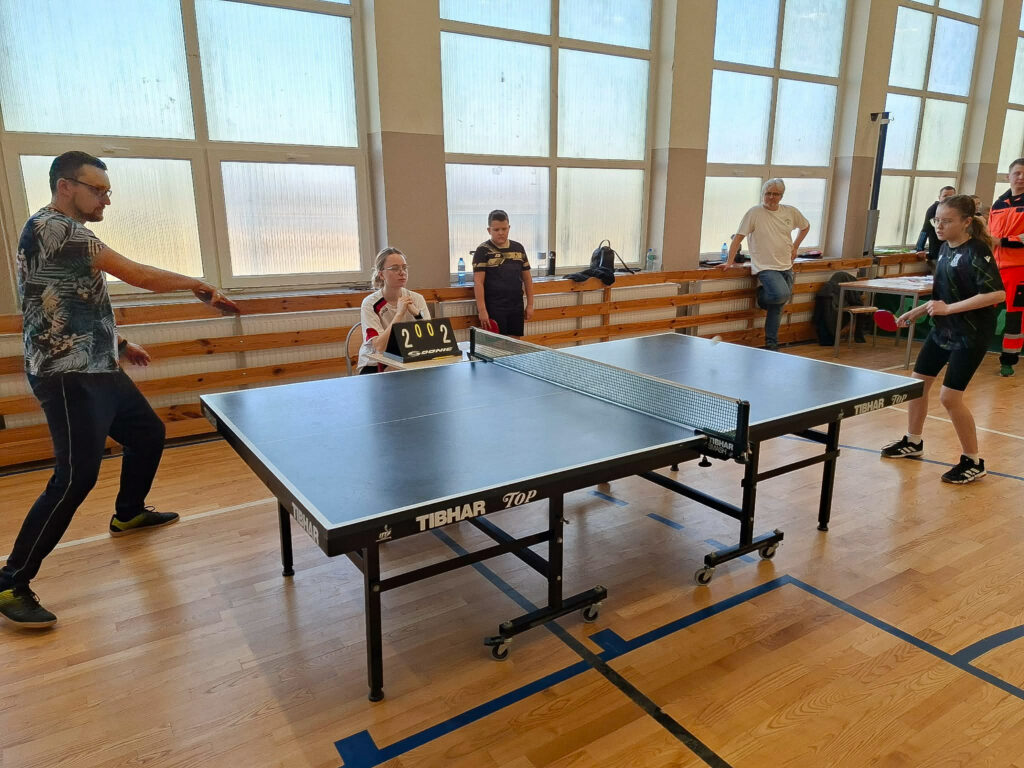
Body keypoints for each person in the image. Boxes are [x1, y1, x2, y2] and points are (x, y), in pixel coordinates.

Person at [0, 151, 239, 629]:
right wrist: (197, 284)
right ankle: (11, 581)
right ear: (66, 187)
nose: (105, 199)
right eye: (97, 190)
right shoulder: (55, 227)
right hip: (67, 373)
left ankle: (128, 513)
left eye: (107, 191)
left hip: (97, 365)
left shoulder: (67, 233)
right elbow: (138, 275)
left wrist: (122, 344)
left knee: (147, 434)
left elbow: (68, 300)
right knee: (75, 477)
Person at [880, 195, 1004, 484]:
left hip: (970, 333)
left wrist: (947, 309)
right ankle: (913, 441)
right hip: (944, 330)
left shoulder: (977, 251)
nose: (939, 226)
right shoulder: (946, 248)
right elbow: (945, 295)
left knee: (950, 397)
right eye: (937, 219)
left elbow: (996, 294)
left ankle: (973, 461)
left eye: (947, 221)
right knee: (917, 386)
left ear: (966, 222)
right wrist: (917, 311)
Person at [718, 179, 810, 351]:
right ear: (763, 194)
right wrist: (730, 261)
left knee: (778, 306)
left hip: (786, 264)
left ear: (781, 196)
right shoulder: (754, 213)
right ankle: (761, 296)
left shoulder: (790, 212)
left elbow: (805, 226)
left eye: (775, 194)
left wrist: (795, 247)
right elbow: (738, 237)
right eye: (768, 193)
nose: (771, 197)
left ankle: (771, 344)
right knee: (780, 295)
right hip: (765, 266)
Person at [357, 247, 430, 373]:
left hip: (406, 359)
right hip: (374, 364)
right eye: (395, 268)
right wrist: (399, 314)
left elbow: (430, 339)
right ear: (381, 274)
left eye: (404, 268)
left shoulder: (417, 299)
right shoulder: (369, 304)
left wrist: (417, 315)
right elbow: (380, 346)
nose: (402, 272)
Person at [988, 158, 1024, 377]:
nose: (1021, 177)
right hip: (993, 268)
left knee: (1015, 317)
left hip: (1019, 269)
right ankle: (972, 352)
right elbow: (989, 235)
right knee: (982, 310)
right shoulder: (998, 204)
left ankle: (1008, 361)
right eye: (1017, 173)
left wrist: (1002, 241)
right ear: (1007, 176)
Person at [472, 210, 534, 337]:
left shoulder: (519, 248)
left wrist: (530, 304)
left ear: (509, 228)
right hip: (494, 306)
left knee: (515, 343)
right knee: (497, 345)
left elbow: (527, 279)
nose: (501, 233)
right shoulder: (482, 251)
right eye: (496, 230)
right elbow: (478, 282)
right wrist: (482, 310)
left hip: (516, 305)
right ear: (489, 230)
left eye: (504, 229)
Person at [915, 185, 956, 274]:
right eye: (945, 196)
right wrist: (919, 248)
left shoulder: (956, 210)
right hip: (937, 252)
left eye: (951, 196)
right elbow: (925, 229)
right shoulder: (933, 209)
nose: (948, 198)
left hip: (952, 252)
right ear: (939, 197)